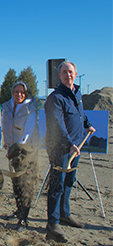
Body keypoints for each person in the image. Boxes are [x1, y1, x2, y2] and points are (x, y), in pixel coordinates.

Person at [45, 61, 96, 241]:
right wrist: (68, 143)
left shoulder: (76, 93)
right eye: (64, 72)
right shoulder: (55, 97)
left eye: (70, 72)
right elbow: (57, 124)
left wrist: (87, 125)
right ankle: (52, 223)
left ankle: (64, 214)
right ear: (59, 76)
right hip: (60, 148)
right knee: (57, 184)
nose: (68, 75)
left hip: (75, 148)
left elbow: (80, 112)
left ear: (75, 74)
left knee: (69, 181)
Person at [1, 81, 39, 231]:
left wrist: (18, 148)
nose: (19, 94)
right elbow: (5, 125)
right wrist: (8, 145)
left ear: (27, 93)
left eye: (22, 92)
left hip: (26, 150)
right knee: (16, 183)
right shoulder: (7, 106)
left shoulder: (30, 108)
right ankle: (19, 211)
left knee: (25, 184)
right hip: (12, 150)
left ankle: (24, 218)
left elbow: (28, 131)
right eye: (16, 92)